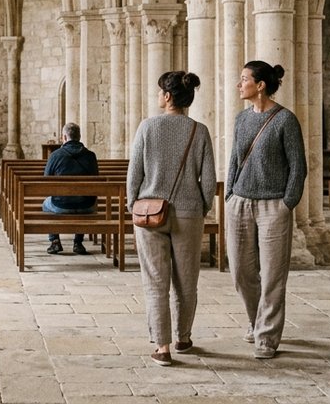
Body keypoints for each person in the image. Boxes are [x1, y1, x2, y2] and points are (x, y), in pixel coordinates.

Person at [128, 71, 217, 366]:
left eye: (159, 92)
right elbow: (209, 181)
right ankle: (183, 337)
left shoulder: (147, 127)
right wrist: (200, 208)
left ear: (167, 97)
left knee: (156, 281)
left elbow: (135, 174)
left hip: (149, 213)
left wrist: (133, 205)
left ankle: (162, 347)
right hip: (189, 214)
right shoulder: (199, 131)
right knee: (186, 280)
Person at [225, 60, 306, 360]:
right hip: (241, 202)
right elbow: (234, 158)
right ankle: (254, 319)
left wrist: (288, 203)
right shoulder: (241, 119)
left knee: (273, 275)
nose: (239, 84)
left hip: (274, 205)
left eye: (244, 78)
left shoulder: (285, 120)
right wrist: (231, 193)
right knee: (241, 272)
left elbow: (298, 166)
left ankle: (267, 337)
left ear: (260, 85)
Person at [42, 122, 99, 255]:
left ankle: (54, 241)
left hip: (60, 205)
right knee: (85, 199)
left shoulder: (55, 155)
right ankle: (78, 242)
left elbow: (46, 180)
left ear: (64, 138)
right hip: (87, 205)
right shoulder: (91, 156)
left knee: (45, 204)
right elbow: (96, 179)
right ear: (79, 137)